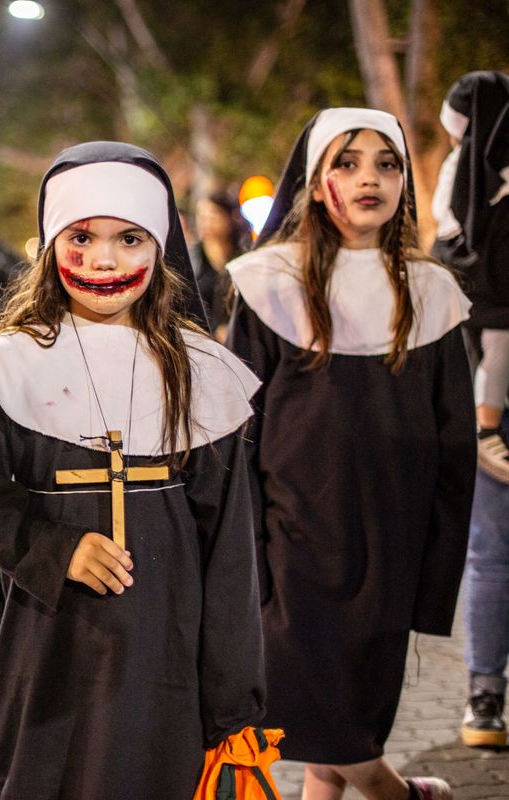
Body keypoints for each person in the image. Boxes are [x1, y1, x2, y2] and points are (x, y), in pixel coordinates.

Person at [0, 141, 269, 798]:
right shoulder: (7, 364)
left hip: (167, 630)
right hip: (50, 631)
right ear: (50, 247)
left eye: (129, 238)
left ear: (160, 248)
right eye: (81, 237)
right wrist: (55, 548)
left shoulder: (200, 372)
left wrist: (234, 695)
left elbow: (230, 543)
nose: (104, 260)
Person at [226, 108, 475, 800]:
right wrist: (240, 549)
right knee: (310, 698)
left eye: (387, 164)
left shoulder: (431, 291)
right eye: (348, 162)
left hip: (392, 537)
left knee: (354, 699)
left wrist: (437, 568)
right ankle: (400, 795)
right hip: (292, 533)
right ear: (314, 181)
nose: (370, 178)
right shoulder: (267, 282)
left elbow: (454, 442)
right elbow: (237, 429)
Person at [431, 71, 509, 749]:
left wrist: (480, 420)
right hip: (488, 404)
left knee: (490, 553)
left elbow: (494, 323)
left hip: (490, 407)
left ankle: (485, 696)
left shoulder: (474, 201)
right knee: (490, 553)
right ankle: (484, 693)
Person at [432, 72, 509, 485]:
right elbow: (455, 221)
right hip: (482, 282)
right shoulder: (474, 163)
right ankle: (486, 428)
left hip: (473, 279)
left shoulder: (474, 160)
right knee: (496, 343)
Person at [190, 191, 248, 341]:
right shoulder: (192, 259)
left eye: (213, 216)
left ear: (229, 217)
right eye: (201, 216)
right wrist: (215, 330)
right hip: (205, 341)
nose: (206, 222)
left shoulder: (244, 256)